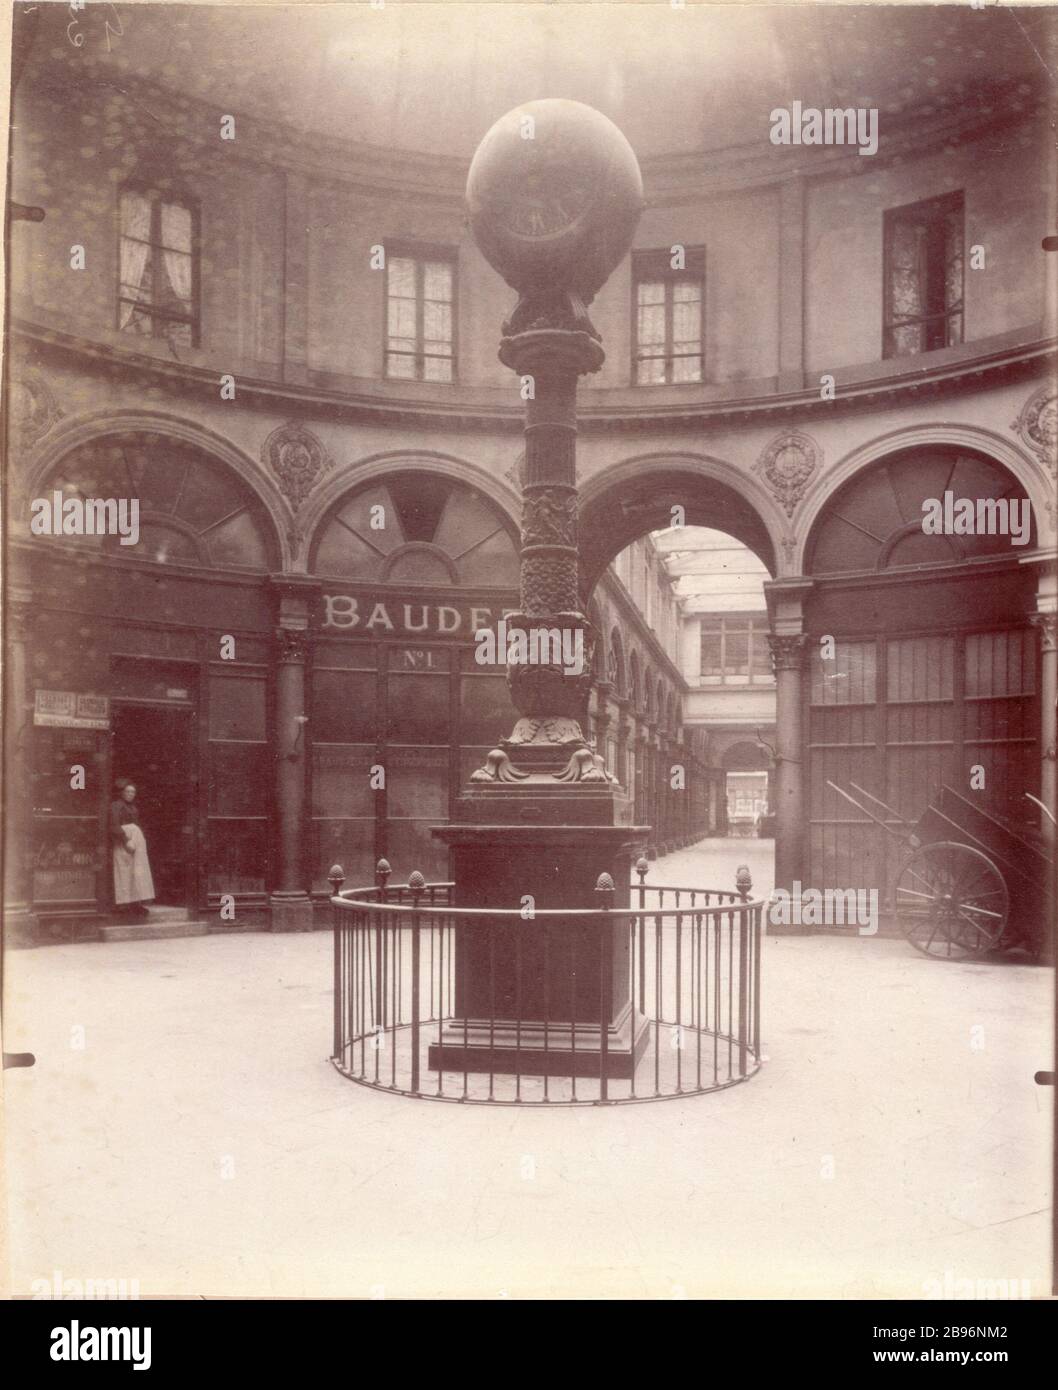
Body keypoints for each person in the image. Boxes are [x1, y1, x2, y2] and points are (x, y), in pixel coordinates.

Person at [110, 780, 155, 920]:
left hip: (136, 842)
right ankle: (124, 905)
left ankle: (136, 903)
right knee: (123, 872)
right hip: (123, 842)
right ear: (122, 792)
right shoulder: (116, 806)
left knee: (137, 872)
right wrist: (125, 840)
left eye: (133, 792)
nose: (130, 794)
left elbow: (137, 825)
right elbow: (114, 825)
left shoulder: (134, 808)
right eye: (127, 791)